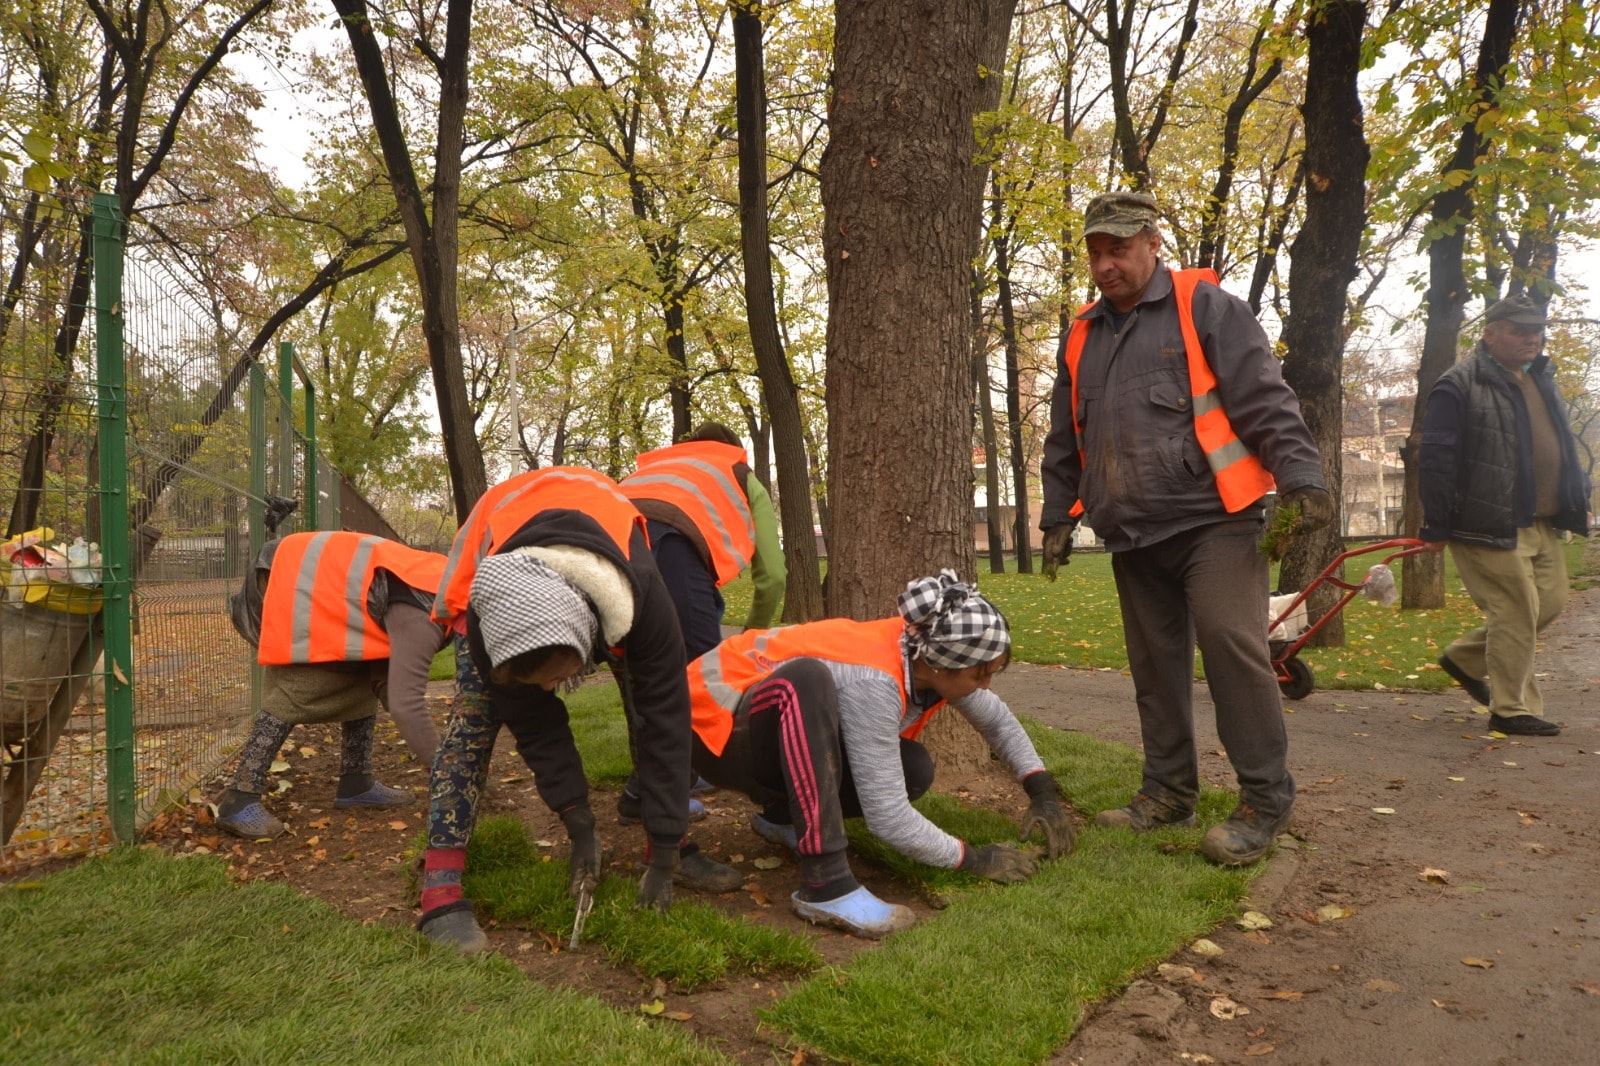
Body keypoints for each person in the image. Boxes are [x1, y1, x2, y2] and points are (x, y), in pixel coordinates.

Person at [1038, 190, 1332, 867]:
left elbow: (1264, 398)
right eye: (1095, 252)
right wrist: (1058, 515)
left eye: (1118, 248)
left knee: (1232, 645)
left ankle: (1265, 797)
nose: (1105, 264)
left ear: (1151, 242)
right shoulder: (1083, 335)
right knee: (1154, 668)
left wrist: (1302, 477)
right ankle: (1168, 791)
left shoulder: (1206, 309)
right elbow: (1067, 437)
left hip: (1215, 522)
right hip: (1132, 532)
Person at [417, 465, 735, 952]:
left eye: (560, 678)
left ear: (590, 641)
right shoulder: (487, 626)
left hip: (608, 562)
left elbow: (666, 723)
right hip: (493, 560)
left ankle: (666, 844)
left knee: (645, 708)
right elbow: (536, 729)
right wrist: (578, 822)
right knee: (473, 724)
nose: (550, 690)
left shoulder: (645, 601)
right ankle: (440, 888)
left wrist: (666, 852)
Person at [684, 571, 1075, 938]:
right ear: (942, 666)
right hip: (711, 732)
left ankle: (781, 818)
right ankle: (826, 884)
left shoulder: (923, 646)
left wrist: (1042, 792)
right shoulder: (874, 681)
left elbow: (998, 722)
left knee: (913, 768)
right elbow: (887, 817)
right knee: (806, 679)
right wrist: (973, 858)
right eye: (978, 674)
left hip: (756, 723)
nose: (985, 685)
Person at [1419, 294, 1591, 736]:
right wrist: (1436, 523)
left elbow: (1558, 446)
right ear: (1490, 334)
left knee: (1548, 606)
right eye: (1519, 330)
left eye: (1536, 330)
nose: (1531, 338)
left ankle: (1463, 658)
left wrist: (1576, 498)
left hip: (1542, 518)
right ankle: (1512, 709)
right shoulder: (1457, 384)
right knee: (1516, 610)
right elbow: (1436, 459)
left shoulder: (1541, 377)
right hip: (1485, 520)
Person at [216, 530, 449, 839]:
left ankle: (356, 783)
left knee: (361, 677)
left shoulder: (445, 584)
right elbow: (406, 703)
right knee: (302, 687)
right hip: (291, 580)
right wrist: (450, 772)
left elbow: (388, 678)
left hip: (329, 587)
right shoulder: (423, 614)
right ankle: (239, 799)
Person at [615, 421, 787, 824]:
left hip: (610, 552)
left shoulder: (653, 468)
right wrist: (752, 633)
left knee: (646, 673)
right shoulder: (737, 472)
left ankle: (675, 777)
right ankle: (652, 793)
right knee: (702, 678)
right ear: (734, 449)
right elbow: (774, 575)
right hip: (670, 551)